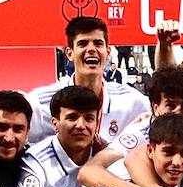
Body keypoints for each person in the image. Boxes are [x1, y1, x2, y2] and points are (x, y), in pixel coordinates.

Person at [27, 16, 150, 144]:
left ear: (108, 53)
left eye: (98, 43)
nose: (91, 49)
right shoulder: (40, 105)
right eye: (83, 43)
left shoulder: (133, 103)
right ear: (69, 54)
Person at [12, 85, 101, 187]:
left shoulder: (104, 152)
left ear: (96, 124)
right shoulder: (36, 159)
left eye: (89, 118)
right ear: (55, 124)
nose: (81, 125)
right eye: (72, 117)